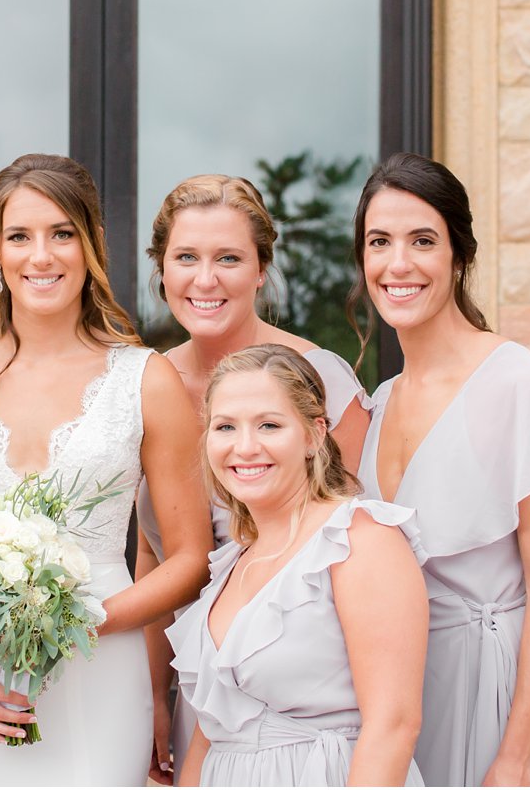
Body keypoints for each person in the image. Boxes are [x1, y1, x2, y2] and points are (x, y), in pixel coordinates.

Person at [0, 153, 213, 786]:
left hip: (99, 673)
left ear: (89, 247)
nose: (42, 255)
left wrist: (79, 621)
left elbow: (189, 558)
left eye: (62, 233)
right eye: (20, 236)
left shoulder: (145, 380)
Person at [350, 152, 530, 786]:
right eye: (379, 242)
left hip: (504, 704)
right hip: (408, 702)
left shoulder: (521, 385)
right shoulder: (380, 402)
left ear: (459, 255)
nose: (399, 264)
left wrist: (516, 756)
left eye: (423, 241)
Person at [136, 173, 373, 782]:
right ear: (161, 268)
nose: (205, 279)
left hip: (298, 705)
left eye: (229, 258)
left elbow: (353, 555)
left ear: (262, 269)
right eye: (186, 257)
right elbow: (149, 555)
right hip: (196, 687)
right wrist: (152, 701)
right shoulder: (143, 385)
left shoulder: (320, 381)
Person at [168, 344, 427, 787]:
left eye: (269, 425)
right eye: (226, 426)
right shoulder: (231, 564)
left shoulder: (360, 540)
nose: (245, 447)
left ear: (313, 435)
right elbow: (209, 735)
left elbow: (393, 726)